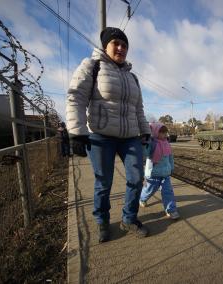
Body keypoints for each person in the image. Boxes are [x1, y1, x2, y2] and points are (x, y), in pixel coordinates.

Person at [66, 27, 151, 243]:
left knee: (136, 178)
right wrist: (77, 133)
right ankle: (102, 221)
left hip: (130, 137)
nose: (121, 48)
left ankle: (129, 219)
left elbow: (138, 109)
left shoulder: (133, 78)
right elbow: (76, 97)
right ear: (106, 46)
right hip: (101, 136)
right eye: (116, 43)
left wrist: (146, 132)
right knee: (103, 183)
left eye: (124, 45)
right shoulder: (92, 66)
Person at [139, 122, 179, 219]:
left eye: (166, 132)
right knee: (149, 190)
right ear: (156, 132)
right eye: (162, 132)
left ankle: (171, 210)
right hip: (154, 174)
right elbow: (145, 153)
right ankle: (142, 199)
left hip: (165, 174)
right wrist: (144, 143)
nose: (165, 134)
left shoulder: (167, 144)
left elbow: (170, 157)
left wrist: (171, 167)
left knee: (168, 192)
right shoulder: (151, 143)